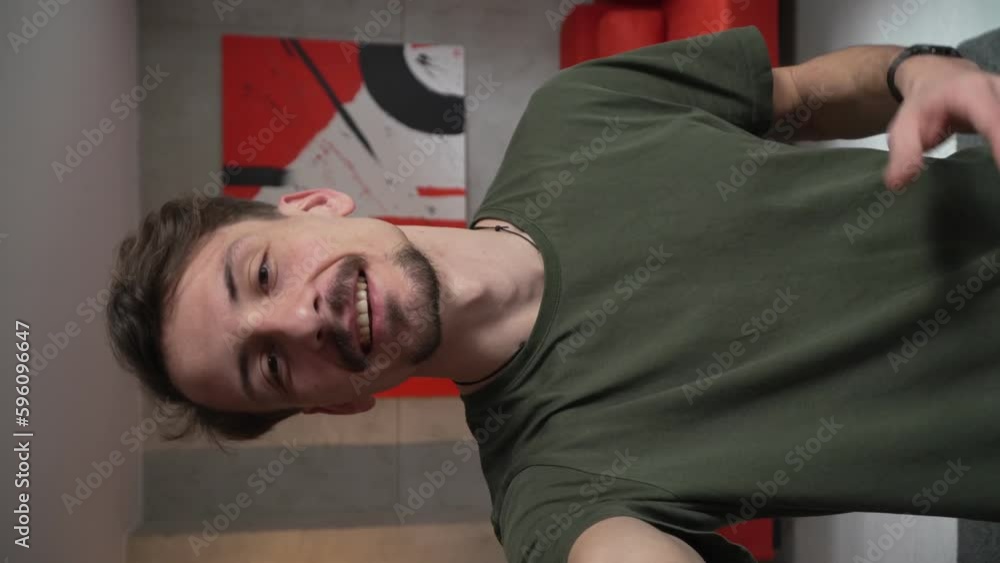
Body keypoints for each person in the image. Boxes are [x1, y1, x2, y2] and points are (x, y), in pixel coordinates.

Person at [107, 26, 1000, 563]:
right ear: (336, 404)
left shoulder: (577, 110)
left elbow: (803, 94)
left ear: (311, 202)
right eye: (266, 365)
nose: (299, 316)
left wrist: (919, 72)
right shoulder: (553, 494)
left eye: (261, 273)